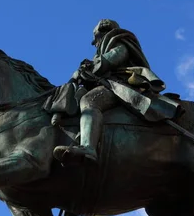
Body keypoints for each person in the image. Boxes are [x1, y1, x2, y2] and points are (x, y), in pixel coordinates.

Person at [53, 19, 170, 165]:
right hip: (106, 84)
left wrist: (90, 67)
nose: (95, 44)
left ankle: (88, 148)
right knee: (77, 97)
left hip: (120, 85)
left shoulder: (121, 45)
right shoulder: (102, 52)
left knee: (89, 101)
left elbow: (110, 61)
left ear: (104, 34)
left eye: (96, 38)